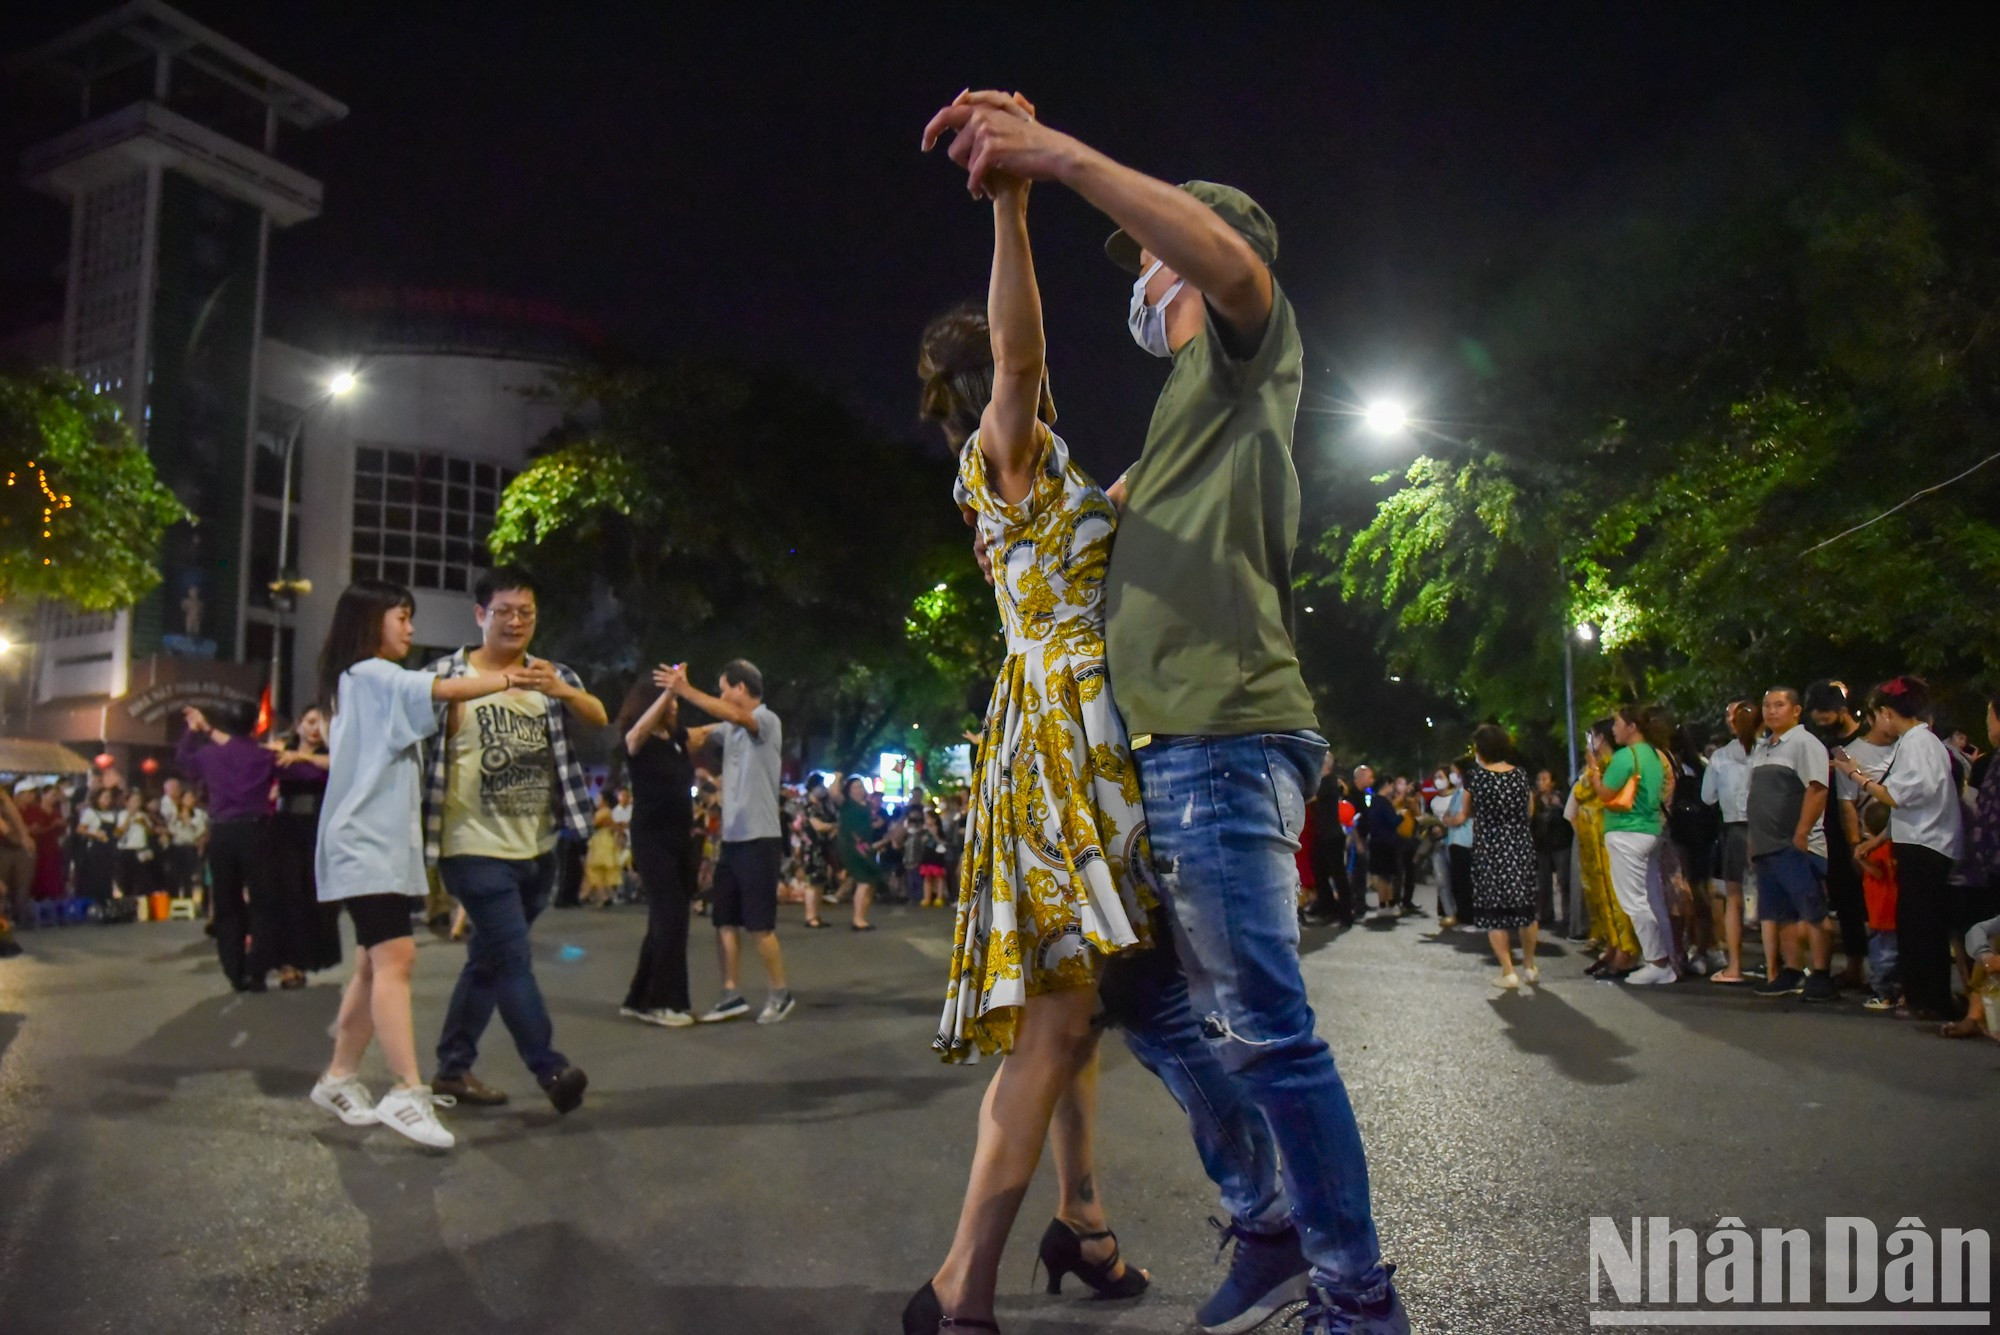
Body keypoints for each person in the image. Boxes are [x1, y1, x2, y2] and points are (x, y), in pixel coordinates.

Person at [923, 90, 1407, 1334]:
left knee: (1251, 1029)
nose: (1138, 276)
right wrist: (1013, 206)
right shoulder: (1036, 450)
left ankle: (1353, 1299)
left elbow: (1225, 272)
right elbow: (1019, 368)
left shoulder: (1239, 344)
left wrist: (1049, 167)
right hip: (1117, 743)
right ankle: (1262, 1222)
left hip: (1204, 736)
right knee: (1144, 1005)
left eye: (1149, 254)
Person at [904, 160, 1155, 1335]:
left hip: (1060, 724)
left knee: (1073, 1004)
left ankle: (1084, 1216)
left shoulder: (1044, 482)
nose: (1039, 367)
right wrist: (1010, 205)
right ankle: (965, 1283)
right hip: (1061, 725)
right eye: (1021, 362)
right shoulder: (1004, 451)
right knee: (1060, 1013)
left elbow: (1113, 506)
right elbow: (1014, 360)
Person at [308, 579, 518, 1149]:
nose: (410, 627)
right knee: (396, 957)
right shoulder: (372, 674)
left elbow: (430, 704)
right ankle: (406, 1090)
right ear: (371, 619)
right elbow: (442, 689)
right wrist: (509, 677)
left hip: (372, 842)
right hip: (365, 843)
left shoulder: (359, 681)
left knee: (374, 966)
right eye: (402, 616)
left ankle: (340, 1075)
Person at [422, 567, 601, 1114]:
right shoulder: (446, 675)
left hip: (538, 848)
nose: (516, 621)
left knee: (489, 960)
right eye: (504, 611)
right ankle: (549, 1068)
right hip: (471, 845)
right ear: (480, 615)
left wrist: (562, 689)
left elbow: (598, 717)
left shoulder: (550, 674)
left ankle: (453, 1068)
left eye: (526, 612)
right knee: (513, 958)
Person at [658, 658, 794, 1025]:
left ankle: (780, 993)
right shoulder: (729, 729)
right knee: (723, 920)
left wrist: (685, 690)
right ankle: (730, 994)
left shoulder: (765, 720)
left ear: (741, 689)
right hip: (732, 840)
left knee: (760, 925)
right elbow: (699, 733)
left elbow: (734, 719)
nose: (721, 695)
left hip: (760, 838)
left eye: (723, 688)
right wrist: (659, 718)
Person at [1831, 676, 1964, 1021]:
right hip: (1923, 841)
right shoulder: (1922, 741)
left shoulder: (1917, 743)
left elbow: (1896, 797)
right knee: (1919, 925)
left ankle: (1930, 1001)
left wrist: (1857, 776)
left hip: (1926, 845)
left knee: (1923, 927)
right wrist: (1876, 839)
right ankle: (1921, 998)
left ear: (1887, 713)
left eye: (1877, 714)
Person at [178, 703, 294, 992]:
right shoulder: (264, 756)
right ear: (255, 725)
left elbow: (183, 760)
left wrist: (193, 732)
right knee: (263, 901)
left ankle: (234, 970)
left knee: (227, 902)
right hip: (256, 830)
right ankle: (257, 969)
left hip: (222, 832)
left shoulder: (209, 755)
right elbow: (296, 773)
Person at [1745, 687, 1837, 1003]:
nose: (1771, 711)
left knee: (1812, 911)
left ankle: (1822, 973)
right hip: (1767, 845)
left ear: (1796, 710)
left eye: (1779, 705)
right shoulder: (1763, 747)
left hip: (1795, 845)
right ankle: (1792, 970)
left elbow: (1817, 789)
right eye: (1767, 705)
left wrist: (1802, 831)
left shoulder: (1804, 743)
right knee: (1780, 913)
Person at [616, 679, 699, 1027]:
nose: (676, 707)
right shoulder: (641, 741)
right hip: (652, 839)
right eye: (670, 702)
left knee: (664, 920)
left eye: (678, 701)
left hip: (681, 838)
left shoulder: (677, 741)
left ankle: (638, 998)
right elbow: (634, 735)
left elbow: (708, 730)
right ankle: (663, 1003)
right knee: (671, 917)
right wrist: (667, 692)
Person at [1589, 706, 1677, 985]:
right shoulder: (1653, 754)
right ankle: (1662, 959)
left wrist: (1594, 776)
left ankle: (1658, 961)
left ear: (1632, 727)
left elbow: (1605, 793)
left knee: (1634, 900)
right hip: (1650, 829)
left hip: (1626, 831)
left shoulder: (1626, 756)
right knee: (1648, 897)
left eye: (1617, 724)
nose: (1613, 729)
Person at [1462, 728, 1539, 987]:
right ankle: (1529, 965)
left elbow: (1465, 812)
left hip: (1489, 849)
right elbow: (1529, 810)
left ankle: (1508, 971)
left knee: (1493, 911)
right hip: (1519, 846)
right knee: (1525, 907)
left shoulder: (1476, 778)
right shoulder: (1520, 775)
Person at [1805, 679, 1869, 987]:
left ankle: (1886, 971)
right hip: (1829, 833)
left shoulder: (1866, 741)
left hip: (1865, 833)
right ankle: (1854, 967)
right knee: (1846, 903)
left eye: (1826, 718)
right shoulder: (1820, 744)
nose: (1821, 724)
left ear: (1842, 711)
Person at [270, 708, 337, 985]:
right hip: (284, 828)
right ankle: (287, 964)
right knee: (287, 895)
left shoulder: (331, 753)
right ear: (298, 725)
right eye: (310, 722)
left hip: (318, 829)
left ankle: (305, 960)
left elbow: (340, 765)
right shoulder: (280, 748)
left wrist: (303, 756)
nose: (315, 728)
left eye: (322, 723)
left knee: (314, 896)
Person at [1569, 720, 1641, 977]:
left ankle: (1626, 949)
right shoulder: (1600, 763)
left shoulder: (1615, 762)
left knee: (1614, 894)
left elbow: (1586, 790)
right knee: (1599, 895)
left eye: (1593, 736)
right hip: (1593, 838)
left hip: (1607, 834)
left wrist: (1591, 770)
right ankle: (1612, 943)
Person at [1699, 700, 1757, 984]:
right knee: (1775, 899)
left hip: (1735, 829)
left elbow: (1707, 796)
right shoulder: (1772, 750)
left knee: (1733, 899)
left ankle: (1735, 966)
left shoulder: (1721, 757)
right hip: (1770, 828)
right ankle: (1781, 966)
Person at [1852, 803, 1900, 1010]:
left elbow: (1878, 874)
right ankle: (1897, 990)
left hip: (1881, 913)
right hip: (1896, 911)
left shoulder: (1875, 850)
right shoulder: (1895, 847)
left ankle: (1883, 993)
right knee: (1896, 954)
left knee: (1882, 956)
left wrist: (1861, 860)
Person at [835, 775, 889, 932]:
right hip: (852, 846)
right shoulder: (845, 804)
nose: (859, 790)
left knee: (871, 882)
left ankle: (861, 917)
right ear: (848, 790)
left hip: (866, 847)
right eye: (855, 787)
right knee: (864, 881)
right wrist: (838, 776)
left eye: (861, 786)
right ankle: (858, 919)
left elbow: (872, 823)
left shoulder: (867, 805)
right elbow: (834, 792)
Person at [1530, 769, 1573, 933]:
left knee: (1564, 881)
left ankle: (1567, 915)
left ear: (1552, 782)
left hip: (1560, 844)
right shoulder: (1535, 800)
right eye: (1539, 779)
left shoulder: (1560, 798)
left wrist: (1559, 806)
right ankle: (1546, 913)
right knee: (1544, 882)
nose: (1540, 782)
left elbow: (1568, 819)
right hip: (1542, 846)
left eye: (1544, 779)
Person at [1434, 761, 1473, 929]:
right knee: (1457, 881)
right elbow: (1449, 816)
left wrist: (1451, 820)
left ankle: (1468, 917)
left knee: (1465, 882)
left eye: (1453, 771)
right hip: (1454, 840)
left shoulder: (1466, 791)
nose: (1452, 775)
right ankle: (1460, 915)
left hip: (1465, 840)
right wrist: (1451, 819)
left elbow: (1459, 818)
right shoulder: (1458, 792)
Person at [798, 773, 839, 928]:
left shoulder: (823, 805)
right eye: (819, 786)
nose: (822, 789)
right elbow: (819, 826)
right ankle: (810, 917)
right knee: (812, 882)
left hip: (823, 846)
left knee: (820, 881)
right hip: (811, 847)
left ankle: (816, 914)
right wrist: (834, 826)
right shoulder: (807, 805)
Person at [73, 787, 118, 901]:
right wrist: (94, 833)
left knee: (106, 877)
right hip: (95, 850)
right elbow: (80, 829)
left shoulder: (112, 814)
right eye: (105, 797)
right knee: (94, 877)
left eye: (109, 797)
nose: (108, 800)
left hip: (108, 850)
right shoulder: (91, 812)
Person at [112, 789, 157, 899]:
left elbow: (151, 831)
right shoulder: (122, 815)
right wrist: (129, 818)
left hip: (141, 850)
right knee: (126, 879)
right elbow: (117, 832)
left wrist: (144, 823)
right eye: (133, 801)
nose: (136, 803)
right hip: (126, 850)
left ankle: (140, 902)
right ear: (127, 802)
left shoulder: (143, 815)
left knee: (141, 879)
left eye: (138, 801)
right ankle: (127, 903)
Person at [165, 790, 209, 900]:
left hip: (190, 846)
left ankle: (188, 898)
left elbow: (201, 831)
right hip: (176, 846)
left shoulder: (199, 814)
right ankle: (173, 899)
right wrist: (178, 818)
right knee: (174, 874)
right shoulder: (175, 813)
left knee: (188, 875)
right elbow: (170, 829)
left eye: (191, 798)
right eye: (186, 798)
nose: (189, 800)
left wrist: (189, 821)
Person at [582, 792, 622, 907]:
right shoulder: (609, 812)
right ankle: (606, 896)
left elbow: (593, 824)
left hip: (601, 842)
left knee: (594, 869)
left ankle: (603, 896)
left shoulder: (604, 812)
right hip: (604, 840)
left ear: (605, 801)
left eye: (599, 798)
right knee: (601, 870)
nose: (597, 801)